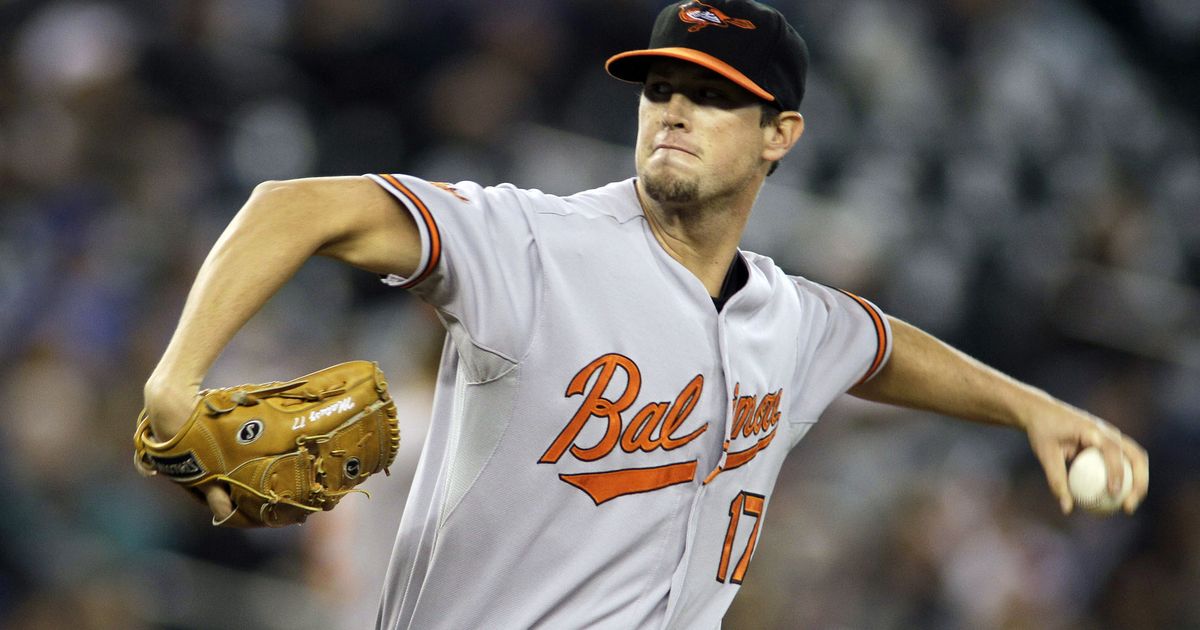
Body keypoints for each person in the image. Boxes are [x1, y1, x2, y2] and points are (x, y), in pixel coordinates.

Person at [141, 1, 1149, 628]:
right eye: (660, 86)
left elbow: (877, 347)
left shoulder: (785, 319)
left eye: (711, 97)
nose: (673, 109)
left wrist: (1029, 410)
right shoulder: (534, 246)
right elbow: (296, 205)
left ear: (778, 136)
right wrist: (176, 377)